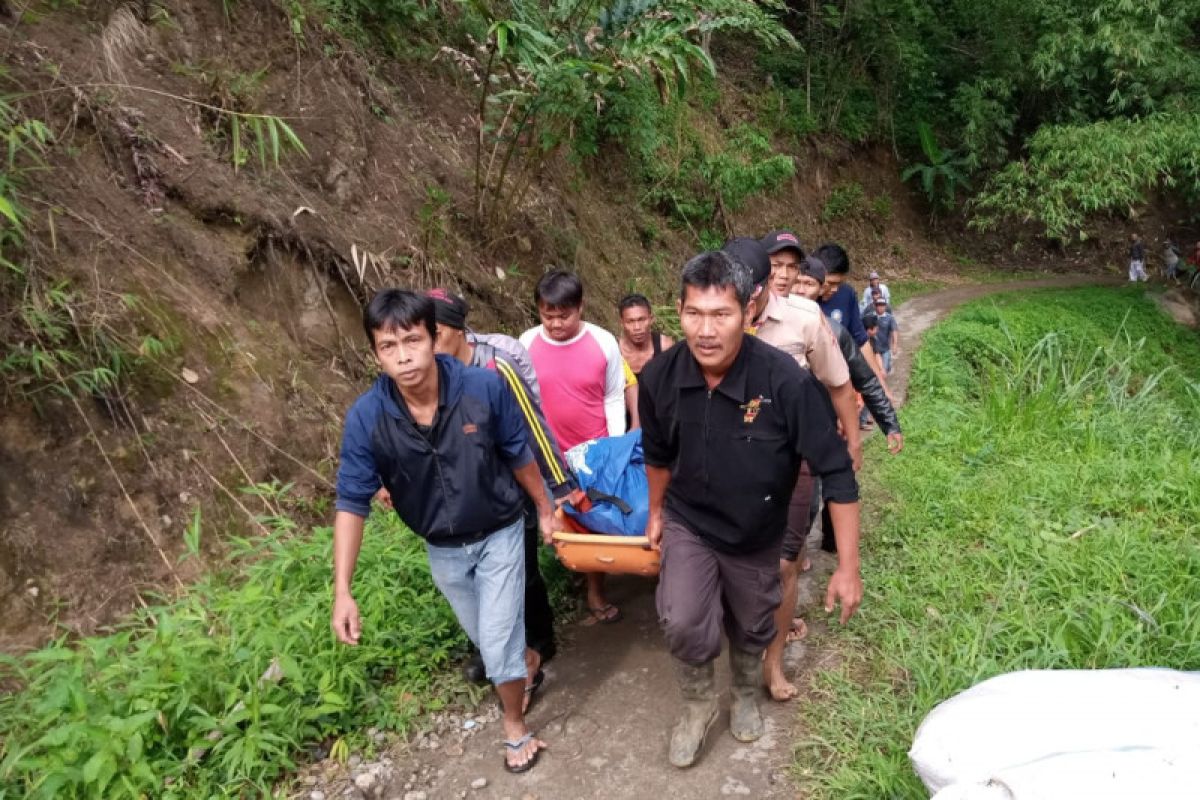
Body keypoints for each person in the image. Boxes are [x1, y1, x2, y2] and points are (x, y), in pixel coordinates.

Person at [639, 251, 863, 768]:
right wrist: (655, 513)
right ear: (678, 310)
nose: (706, 330)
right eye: (694, 313)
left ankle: (742, 693)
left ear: (749, 311)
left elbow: (837, 471)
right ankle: (697, 707)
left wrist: (848, 568)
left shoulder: (784, 382)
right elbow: (656, 455)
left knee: (753, 621)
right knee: (682, 618)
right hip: (690, 520)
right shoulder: (660, 378)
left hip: (758, 529)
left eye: (722, 315)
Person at [332, 289, 555, 773]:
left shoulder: (483, 389)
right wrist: (343, 591)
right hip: (442, 549)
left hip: (500, 530)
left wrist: (545, 508)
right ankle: (528, 660)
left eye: (412, 340)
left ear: (435, 338)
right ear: (375, 353)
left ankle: (514, 725)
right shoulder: (367, 418)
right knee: (490, 639)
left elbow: (520, 453)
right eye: (388, 346)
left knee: (495, 645)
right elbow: (351, 502)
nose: (404, 355)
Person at [724, 235, 860, 704]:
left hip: (793, 461)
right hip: (733, 464)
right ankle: (742, 642)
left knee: (784, 564)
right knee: (737, 563)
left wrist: (851, 445)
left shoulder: (804, 319)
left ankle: (773, 661)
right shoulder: (715, 319)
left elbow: (840, 383)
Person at [425, 288, 576, 693]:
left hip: (515, 483)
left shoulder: (496, 367)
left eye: (435, 332)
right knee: (471, 577)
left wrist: (559, 486)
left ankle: (538, 640)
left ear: (459, 332)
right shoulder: (428, 376)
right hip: (465, 492)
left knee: (521, 571)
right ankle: (498, 649)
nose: (427, 342)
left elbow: (533, 426)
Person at [520, 270, 626, 625]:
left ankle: (595, 590)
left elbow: (613, 397)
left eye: (563, 315)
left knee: (591, 523)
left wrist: (613, 450)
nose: (554, 323)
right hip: (546, 457)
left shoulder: (604, 342)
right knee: (556, 522)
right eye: (547, 315)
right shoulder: (526, 344)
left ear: (580, 307)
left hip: (592, 453)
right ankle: (571, 576)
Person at [812, 243, 881, 381]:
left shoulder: (846, 293)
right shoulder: (799, 297)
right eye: (830, 283)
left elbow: (860, 340)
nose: (835, 289)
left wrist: (880, 382)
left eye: (839, 283)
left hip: (840, 377)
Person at [617, 293, 674, 377]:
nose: (637, 327)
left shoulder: (665, 346)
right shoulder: (615, 350)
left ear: (651, 319)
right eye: (630, 321)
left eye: (641, 320)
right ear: (622, 323)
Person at [761, 229, 804, 297]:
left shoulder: (806, 307)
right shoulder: (742, 305)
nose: (784, 275)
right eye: (776, 265)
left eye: (792, 267)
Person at [871, 298, 900, 375]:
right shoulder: (870, 317)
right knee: (877, 371)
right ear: (875, 306)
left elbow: (894, 331)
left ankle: (888, 365)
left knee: (886, 369)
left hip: (885, 348)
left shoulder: (890, 318)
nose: (880, 307)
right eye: (878, 305)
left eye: (882, 305)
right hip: (873, 349)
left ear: (885, 306)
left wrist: (895, 344)